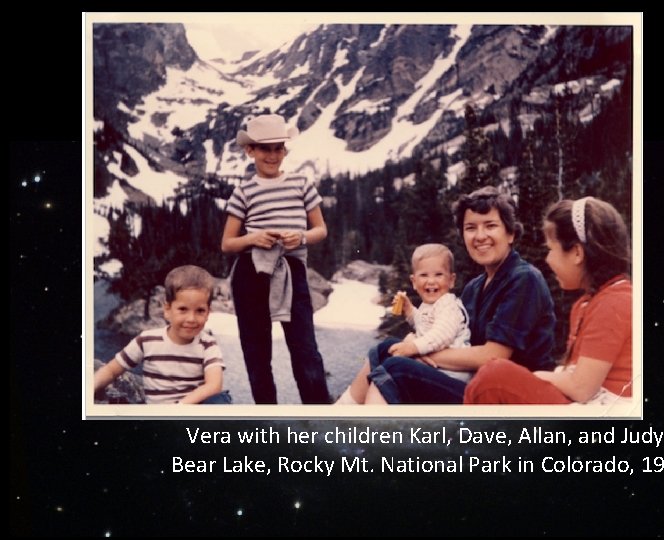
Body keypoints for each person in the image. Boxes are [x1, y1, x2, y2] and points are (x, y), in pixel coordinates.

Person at [342, 186, 557, 404]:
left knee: (397, 368)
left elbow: (494, 355)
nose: (480, 236)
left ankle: (363, 433)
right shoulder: (474, 287)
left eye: (491, 226)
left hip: (513, 398)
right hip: (478, 385)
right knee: (384, 349)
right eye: (470, 228)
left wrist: (417, 352)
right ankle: (339, 415)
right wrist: (413, 343)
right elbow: (449, 335)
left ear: (510, 233)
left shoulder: (523, 279)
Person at [464, 196, 632, 405]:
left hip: (604, 414)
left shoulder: (614, 303)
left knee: (493, 377)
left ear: (577, 253)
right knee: (494, 375)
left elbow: (581, 388)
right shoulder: (587, 304)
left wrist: (535, 376)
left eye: (551, 250)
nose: (547, 259)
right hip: (588, 404)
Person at [220, 114, 331, 404]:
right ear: (250, 151)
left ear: (285, 150)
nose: (272, 155)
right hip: (251, 272)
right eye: (264, 148)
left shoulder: (301, 183)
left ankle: (319, 416)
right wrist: (253, 238)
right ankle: (267, 419)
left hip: (292, 272)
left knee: (305, 349)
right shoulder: (243, 191)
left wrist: (301, 237)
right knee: (257, 354)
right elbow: (228, 243)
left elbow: (321, 229)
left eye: (278, 148)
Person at [335, 243, 472, 404]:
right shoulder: (430, 305)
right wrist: (409, 310)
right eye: (424, 275)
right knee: (385, 348)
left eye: (438, 274)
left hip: (453, 375)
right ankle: (346, 405)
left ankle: (358, 413)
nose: (431, 281)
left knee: (394, 364)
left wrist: (412, 347)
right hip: (439, 369)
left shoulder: (448, 305)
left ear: (451, 280)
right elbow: (424, 326)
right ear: (414, 281)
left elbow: (441, 334)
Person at [94, 265, 230, 404]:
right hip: (159, 414)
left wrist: (180, 407)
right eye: (183, 309)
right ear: (167, 309)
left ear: (208, 313)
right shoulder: (146, 340)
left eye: (200, 311)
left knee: (221, 400)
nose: (191, 318)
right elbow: (111, 371)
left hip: (191, 410)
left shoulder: (208, 344)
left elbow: (214, 385)